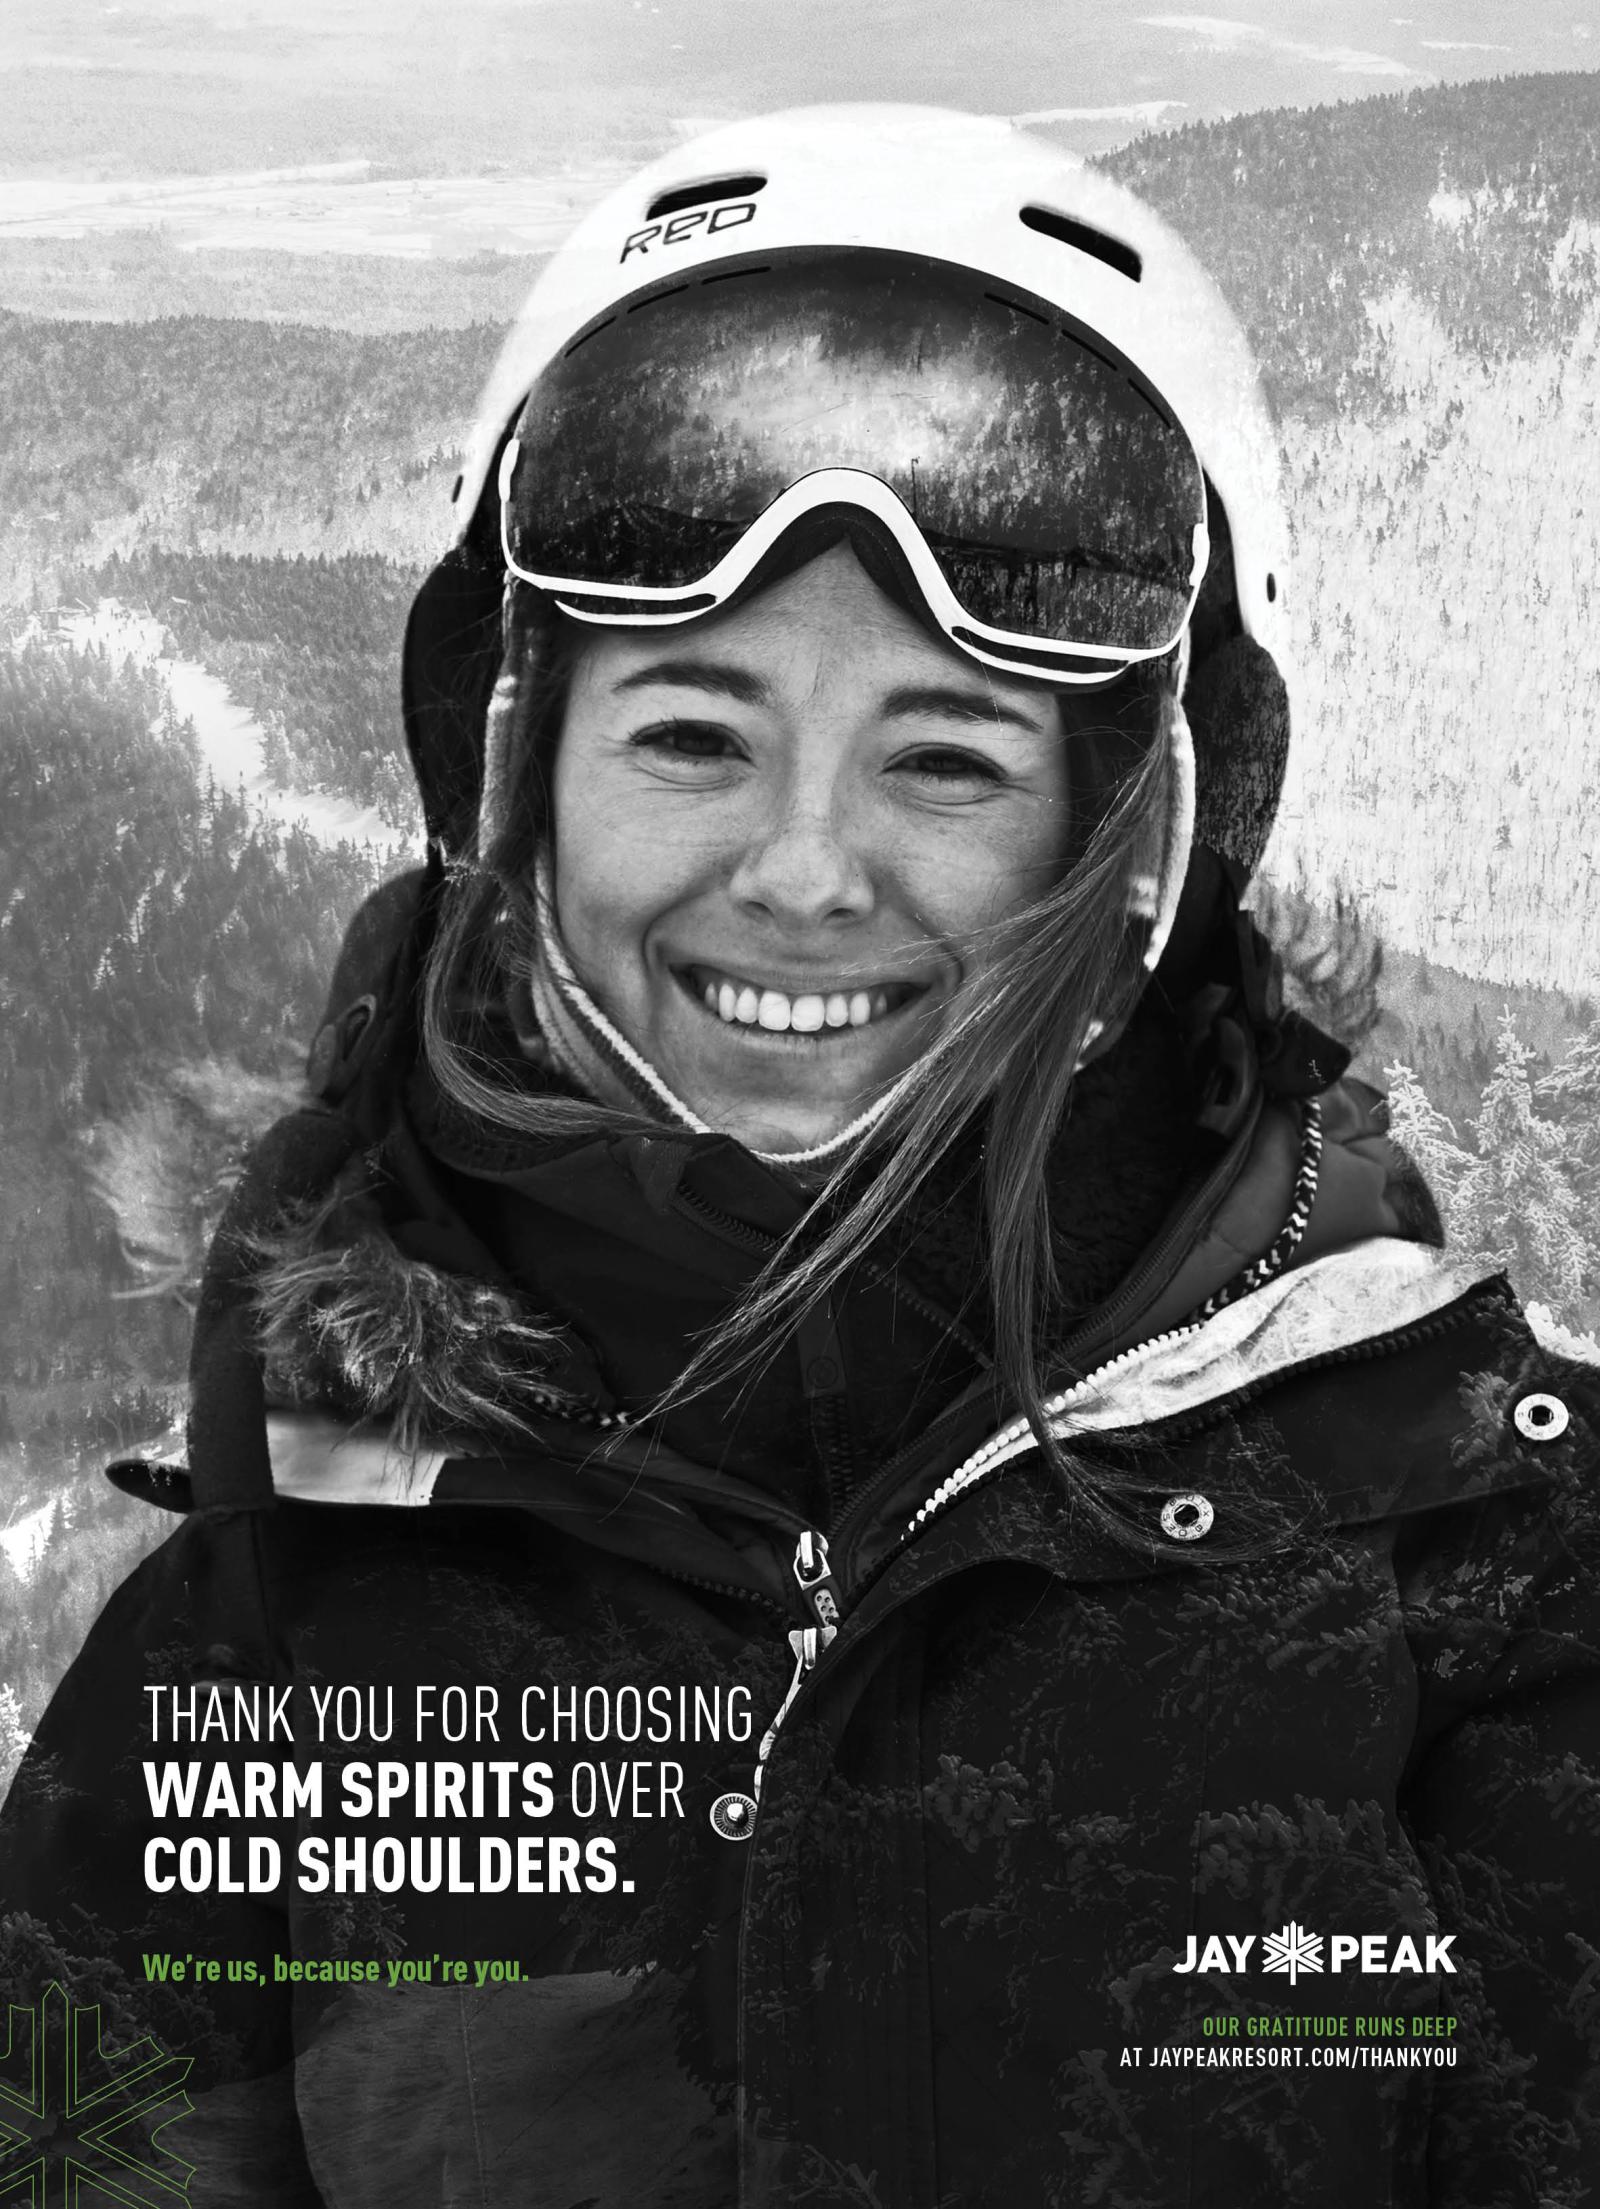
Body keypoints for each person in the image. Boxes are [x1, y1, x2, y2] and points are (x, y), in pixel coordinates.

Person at [2, 104, 1597, 2209]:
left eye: (943, 758)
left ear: (1133, 839)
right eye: (687, 732)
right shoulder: (281, 1616)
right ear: (518, 784)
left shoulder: (1473, 1588)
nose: (803, 873)